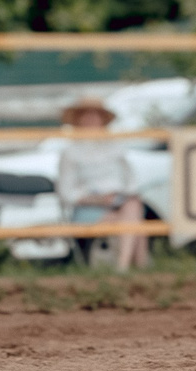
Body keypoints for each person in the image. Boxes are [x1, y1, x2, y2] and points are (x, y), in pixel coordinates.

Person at [54, 97, 148, 271]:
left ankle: (124, 266)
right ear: (78, 120)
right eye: (87, 116)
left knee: (133, 207)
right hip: (88, 208)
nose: (91, 121)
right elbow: (66, 193)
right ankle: (135, 267)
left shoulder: (115, 147)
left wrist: (118, 196)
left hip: (119, 203)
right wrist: (97, 199)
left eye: (95, 116)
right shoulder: (70, 152)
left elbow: (131, 181)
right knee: (134, 221)